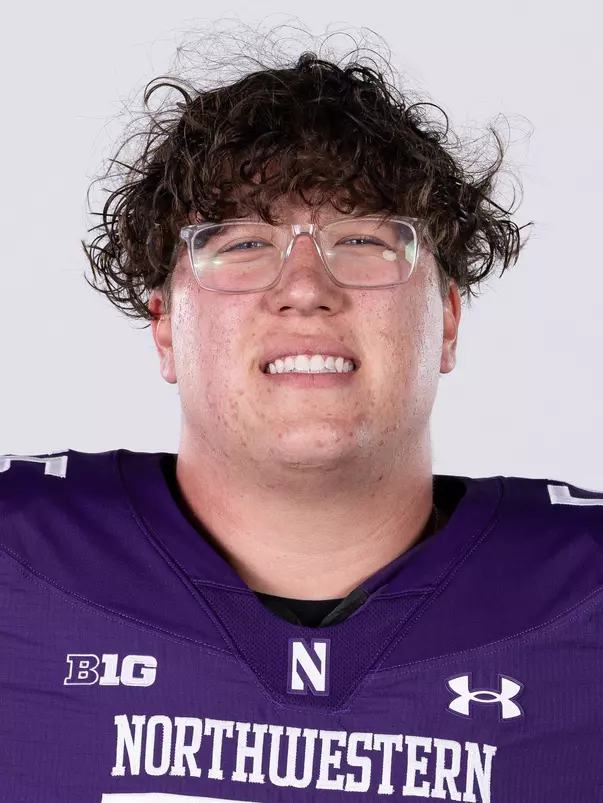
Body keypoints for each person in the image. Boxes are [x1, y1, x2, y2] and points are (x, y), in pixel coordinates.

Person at [1, 39, 602, 803]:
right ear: (164, 327)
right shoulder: (20, 563)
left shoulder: (583, 596)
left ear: (445, 322)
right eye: (245, 243)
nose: (306, 288)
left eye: (364, 240)